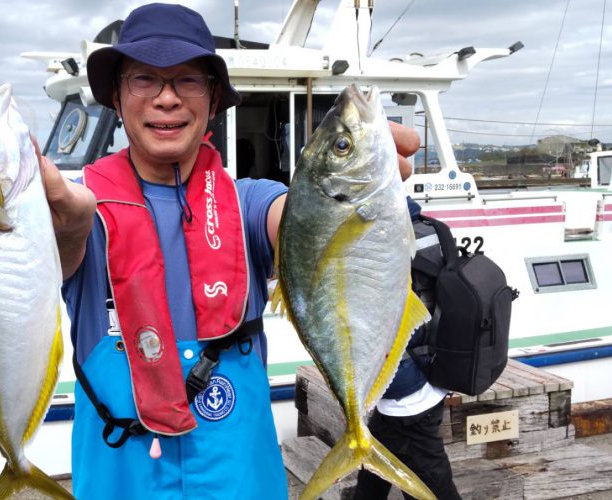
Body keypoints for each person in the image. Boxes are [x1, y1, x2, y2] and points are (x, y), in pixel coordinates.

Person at [35, 4, 421, 498]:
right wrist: (60, 224)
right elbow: (56, 250)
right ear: (116, 95)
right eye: (144, 79)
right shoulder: (76, 209)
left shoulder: (250, 202)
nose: (167, 99)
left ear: (214, 99)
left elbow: (300, 226)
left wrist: (354, 188)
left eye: (189, 80)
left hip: (240, 479)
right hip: (121, 481)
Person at [352, 197, 461, 500]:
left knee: (430, 491)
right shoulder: (428, 228)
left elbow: (389, 321)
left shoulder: (381, 238)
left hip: (408, 397)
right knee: (372, 482)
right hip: (421, 379)